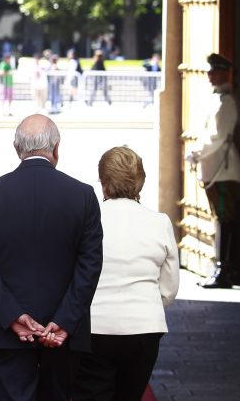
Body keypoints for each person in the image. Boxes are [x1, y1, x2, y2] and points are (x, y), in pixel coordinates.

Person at [0, 115, 103, 401]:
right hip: (64, 333)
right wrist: (65, 320)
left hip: (7, 332)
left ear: (17, 148)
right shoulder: (83, 195)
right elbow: (89, 265)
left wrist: (12, 316)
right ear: (56, 148)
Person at [74, 147, 179, 401]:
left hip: (94, 325)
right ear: (140, 180)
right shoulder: (159, 222)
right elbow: (169, 287)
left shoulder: (85, 220)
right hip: (143, 327)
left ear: (103, 182)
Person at [187, 53, 240, 288]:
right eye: (210, 71)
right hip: (215, 168)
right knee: (222, 220)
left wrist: (195, 153)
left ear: (225, 73)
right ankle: (221, 268)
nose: (210, 75)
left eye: (215, 71)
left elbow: (217, 137)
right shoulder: (218, 99)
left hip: (223, 169)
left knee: (226, 220)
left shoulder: (226, 102)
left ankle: (225, 270)